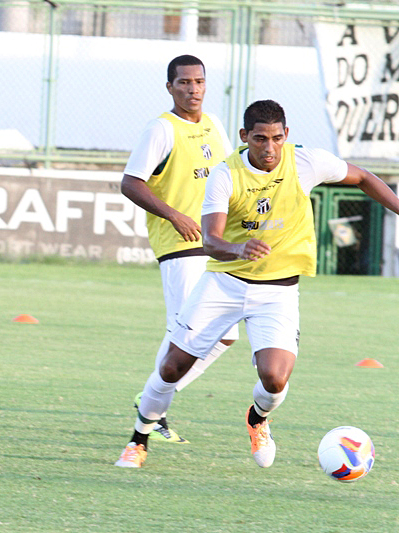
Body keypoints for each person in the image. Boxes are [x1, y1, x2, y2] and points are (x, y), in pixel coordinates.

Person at [115, 99, 399, 469]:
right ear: (244, 137)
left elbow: (362, 177)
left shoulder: (306, 161)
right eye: (261, 139)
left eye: (277, 138)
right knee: (171, 368)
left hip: (278, 292)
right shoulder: (225, 174)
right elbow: (210, 239)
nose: (269, 148)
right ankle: (138, 440)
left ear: (286, 135)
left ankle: (257, 419)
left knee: (275, 378)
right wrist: (237, 248)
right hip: (224, 283)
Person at [117, 54, 238, 448]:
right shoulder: (161, 129)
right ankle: (155, 412)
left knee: (225, 335)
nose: (193, 89)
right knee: (185, 333)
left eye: (199, 81)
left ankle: (154, 395)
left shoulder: (215, 124)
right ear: (170, 87)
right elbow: (131, 183)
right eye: (184, 82)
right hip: (181, 245)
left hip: (215, 243)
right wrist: (173, 216)